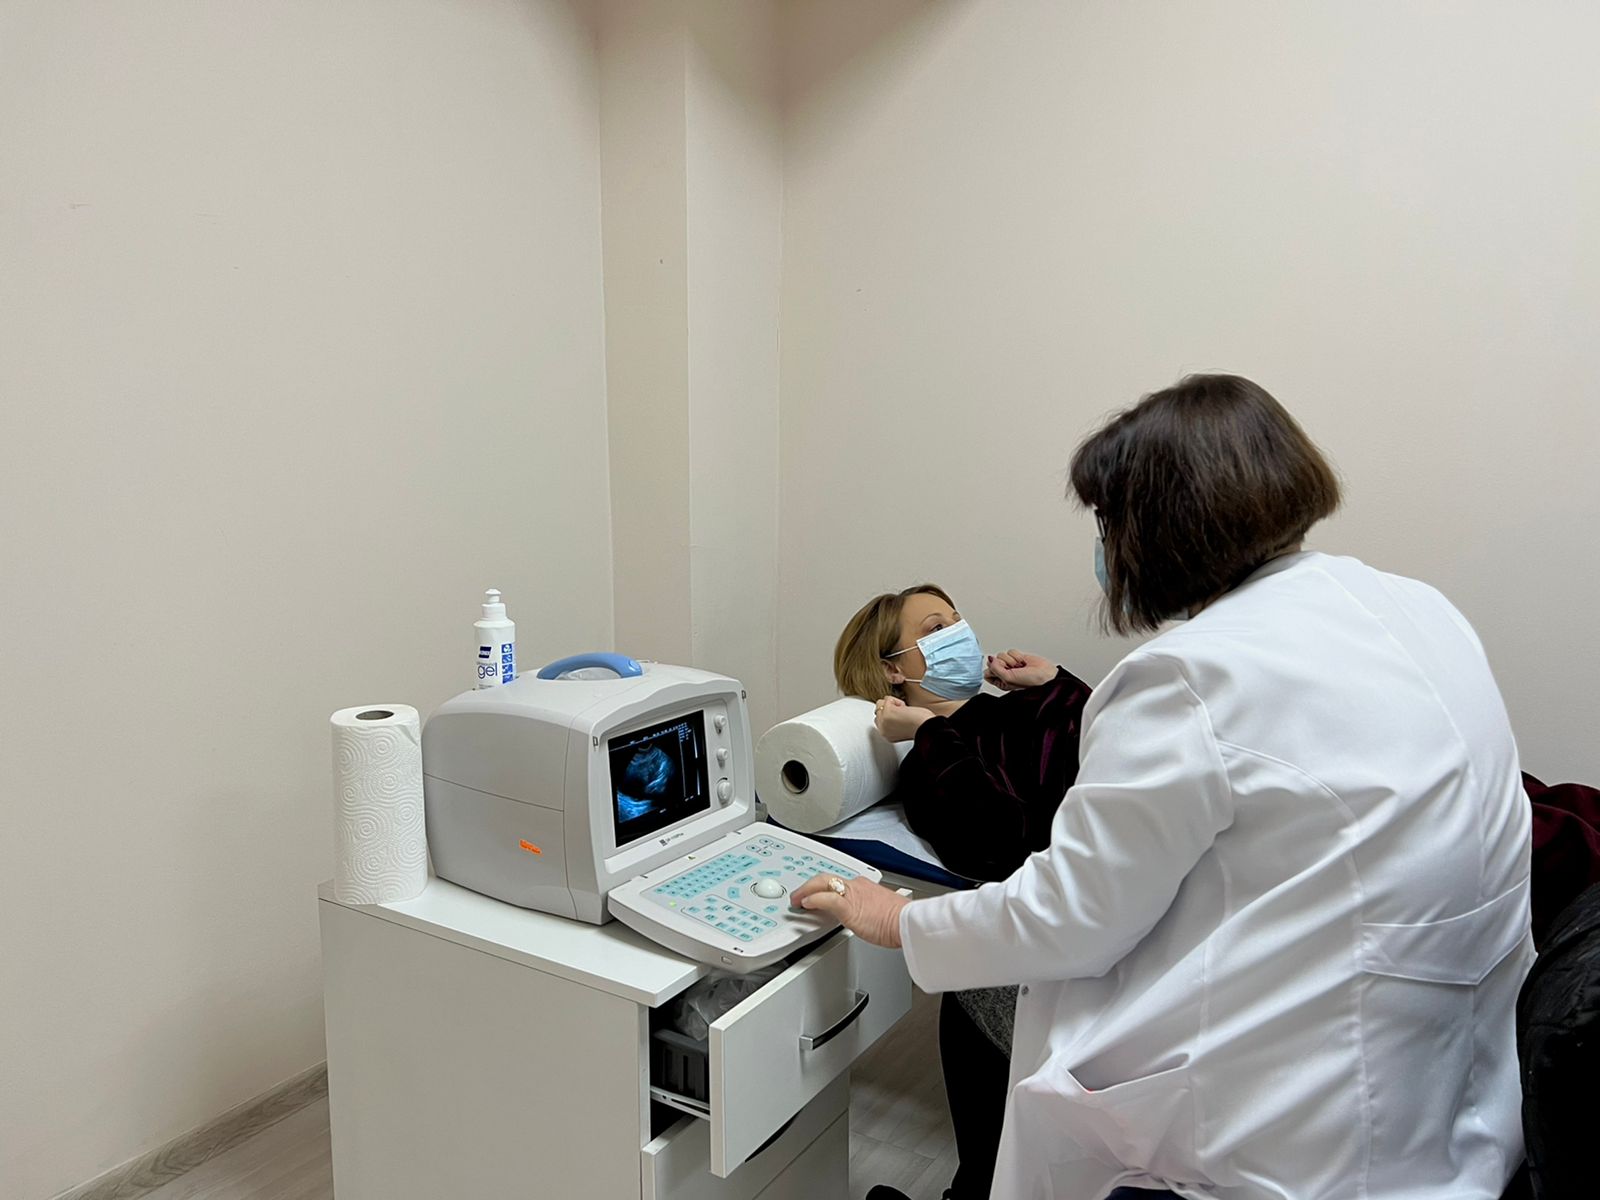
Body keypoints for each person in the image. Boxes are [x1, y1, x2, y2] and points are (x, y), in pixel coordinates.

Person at [797, 374, 1533, 1200]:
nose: (1106, 549)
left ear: (1158, 526)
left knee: (995, 999)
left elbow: (1068, 910)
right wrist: (945, 731)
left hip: (1317, 1117)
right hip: (1460, 1077)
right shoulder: (1410, 605)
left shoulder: (1186, 674)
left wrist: (895, 918)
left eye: (1108, 522)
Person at [833, 585, 1094, 1199]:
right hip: (1087, 930)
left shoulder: (1012, 711)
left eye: (956, 620)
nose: (958, 633)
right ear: (894, 669)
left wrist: (1056, 683)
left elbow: (1099, 750)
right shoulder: (933, 761)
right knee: (976, 982)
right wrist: (931, 733)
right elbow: (998, 839)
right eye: (935, 628)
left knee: (974, 980)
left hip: (1095, 943)